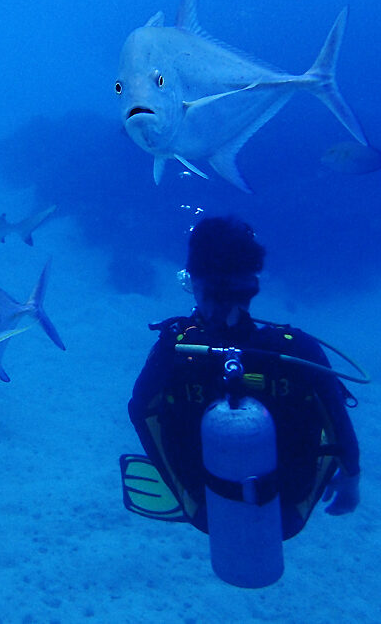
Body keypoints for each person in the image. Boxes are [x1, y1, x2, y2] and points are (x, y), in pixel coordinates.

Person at [127, 216, 360, 539]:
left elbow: (140, 411)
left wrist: (187, 498)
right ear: (252, 288)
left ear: (195, 284)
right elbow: (337, 422)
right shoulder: (299, 351)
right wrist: (351, 480)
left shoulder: (174, 349)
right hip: (287, 518)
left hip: (204, 513)